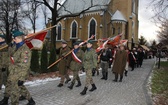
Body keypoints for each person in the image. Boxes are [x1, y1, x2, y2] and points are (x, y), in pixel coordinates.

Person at [0, 30, 35, 105]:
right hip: (13, 71)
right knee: (10, 85)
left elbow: (25, 66)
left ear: (19, 38)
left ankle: (14, 103)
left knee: (14, 91)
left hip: (19, 73)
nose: (13, 40)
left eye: (14, 38)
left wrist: (21, 78)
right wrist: (10, 47)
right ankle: (6, 99)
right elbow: (10, 55)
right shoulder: (16, 46)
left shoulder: (25, 50)